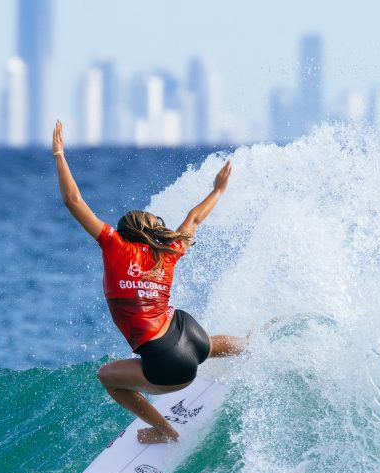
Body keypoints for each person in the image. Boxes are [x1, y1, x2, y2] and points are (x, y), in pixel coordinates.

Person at [52, 120, 247, 444]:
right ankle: (251, 346)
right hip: (190, 334)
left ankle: (166, 431)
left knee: (108, 378)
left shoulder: (113, 245)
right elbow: (195, 217)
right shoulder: (168, 249)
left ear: (125, 231)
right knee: (206, 344)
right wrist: (218, 190)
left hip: (168, 363)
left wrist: (59, 153)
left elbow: (74, 202)